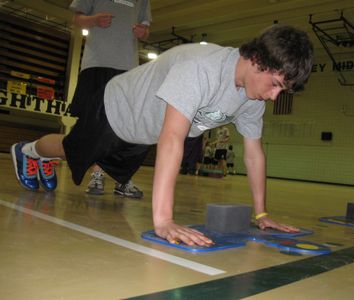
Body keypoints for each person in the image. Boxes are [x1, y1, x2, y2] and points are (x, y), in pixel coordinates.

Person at [11, 24, 314, 246]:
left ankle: (42, 154)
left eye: (281, 90)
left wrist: (261, 215)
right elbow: (173, 139)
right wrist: (164, 221)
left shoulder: (252, 98)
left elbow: (253, 154)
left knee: (103, 165)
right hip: (116, 109)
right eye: (275, 84)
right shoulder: (200, 68)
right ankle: (29, 151)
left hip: (143, 133)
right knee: (69, 149)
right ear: (259, 61)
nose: (274, 97)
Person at [69, 0, 152, 197]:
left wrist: (143, 33)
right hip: (97, 64)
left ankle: (122, 178)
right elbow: (77, 19)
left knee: (128, 125)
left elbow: (146, 29)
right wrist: (93, 20)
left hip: (128, 69)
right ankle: (97, 174)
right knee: (94, 124)